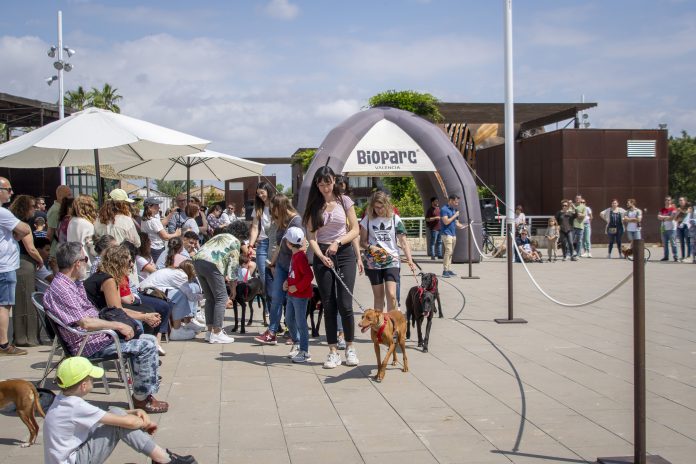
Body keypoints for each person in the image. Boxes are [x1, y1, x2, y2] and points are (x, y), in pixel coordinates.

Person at [44, 242, 168, 413]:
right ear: (77, 263)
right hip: (87, 344)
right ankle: (141, 399)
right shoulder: (63, 289)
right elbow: (85, 322)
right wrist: (117, 325)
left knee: (149, 340)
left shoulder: (72, 284)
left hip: (96, 337)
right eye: (85, 259)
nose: (88, 263)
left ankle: (144, 393)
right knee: (145, 345)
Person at [43, 356, 195, 464]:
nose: (93, 381)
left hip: (70, 456)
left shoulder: (63, 400)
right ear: (84, 385)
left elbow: (103, 414)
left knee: (117, 413)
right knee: (119, 424)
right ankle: (164, 459)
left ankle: (161, 457)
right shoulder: (76, 406)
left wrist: (133, 412)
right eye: (92, 378)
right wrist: (143, 422)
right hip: (75, 460)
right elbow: (127, 423)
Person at [302, 166, 360, 369]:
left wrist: (339, 243)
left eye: (328, 183)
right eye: (321, 184)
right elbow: (311, 237)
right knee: (328, 304)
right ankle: (333, 351)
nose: (325, 187)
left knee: (345, 303)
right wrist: (320, 255)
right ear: (316, 185)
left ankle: (350, 347)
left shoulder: (344, 201)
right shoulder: (313, 206)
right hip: (322, 255)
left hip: (343, 252)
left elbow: (355, 229)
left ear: (334, 181)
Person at [256, 194, 302, 345]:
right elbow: (279, 245)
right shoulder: (282, 222)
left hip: (292, 266)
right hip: (281, 264)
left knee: (291, 300)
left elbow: (302, 246)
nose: (272, 214)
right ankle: (272, 332)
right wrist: (272, 264)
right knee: (275, 297)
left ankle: (294, 332)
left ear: (279, 207)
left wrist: (296, 269)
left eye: (273, 210)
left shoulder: (296, 221)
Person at [360, 190, 416, 311]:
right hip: (373, 261)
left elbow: (403, 242)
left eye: (381, 207)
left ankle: (392, 324)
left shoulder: (395, 219)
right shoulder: (367, 219)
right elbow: (362, 242)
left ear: (387, 205)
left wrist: (410, 260)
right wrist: (371, 247)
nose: (379, 210)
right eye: (376, 207)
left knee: (391, 295)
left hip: (392, 260)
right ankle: (380, 327)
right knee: (378, 297)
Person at [192, 224, 240, 344]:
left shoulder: (218, 236)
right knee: (221, 298)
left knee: (209, 298)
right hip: (213, 263)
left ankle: (209, 332)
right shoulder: (235, 241)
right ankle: (217, 332)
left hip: (198, 261)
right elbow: (233, 268)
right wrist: (233, 289)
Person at [0, 178, 32, 356]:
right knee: (4, 306)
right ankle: (3, 344)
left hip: (4, 264)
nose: (11, 193)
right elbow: (25, 229)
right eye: (8, 189)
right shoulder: (3, 213)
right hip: (4, 266)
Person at [9, 195, 44, 347]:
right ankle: (29, 338)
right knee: (28, 301)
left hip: (15, 263)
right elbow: (30, 248)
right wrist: (40, 260)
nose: (35, 210)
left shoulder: (11, 221)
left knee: (18, 301)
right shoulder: (24, 225)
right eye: (32, 207)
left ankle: (20, 336)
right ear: (25, 208)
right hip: (25, 263)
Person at [140, 260, 203, 341]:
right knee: (181, 295)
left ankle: (187, 322)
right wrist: (204, 297)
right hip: (148, 292)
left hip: (147, 290)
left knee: (181, 293)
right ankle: (177, 329)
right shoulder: (181, 276)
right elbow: (190, 297)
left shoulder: (175, 271)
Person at [282, 227, 314, 363]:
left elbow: (309, 275)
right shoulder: (295, 256)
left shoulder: (300, 257)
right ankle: (297, 342)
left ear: (288, 243)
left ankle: (304, 351)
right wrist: (287, 282)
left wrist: (297, 287)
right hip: (292, 294)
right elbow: (294, 273)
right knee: (289, 319)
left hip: (300, 296)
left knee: (301, 322)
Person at [248, 181, 274, 318]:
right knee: (264, 278)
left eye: (262, 192)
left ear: (268, 190)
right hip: (263, 243)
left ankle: (278, 306)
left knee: (277, 276)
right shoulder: (258, 208)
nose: (260, 195)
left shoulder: (277, 204)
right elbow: (254, 227)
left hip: (276, 243)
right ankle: (269, 309)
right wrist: (251, 245)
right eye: (258, 194)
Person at [141, 197, 180, 265]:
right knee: (159, 267)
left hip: (151, 247)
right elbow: (165, 237)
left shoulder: (146, 219)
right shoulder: (153, 221)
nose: (159, 208)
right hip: (157, 249)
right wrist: (176, 234)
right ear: (150, 207)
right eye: (156, 205)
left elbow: (161, 224)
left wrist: (171, 213)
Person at [67, 195, 98, 269]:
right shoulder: (87, 224)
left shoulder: (72, 221)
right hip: (87, 263)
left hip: (73, 261)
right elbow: (92, 249)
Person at [440, 194, 467, 277]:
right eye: (455, 202)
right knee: (448, 251)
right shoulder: (444, 209)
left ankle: (448, 269)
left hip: (453, 234)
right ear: (451, 200)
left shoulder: (454, 210)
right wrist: (455, 215)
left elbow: (455, 222)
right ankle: (445, 271)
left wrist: (463, 226)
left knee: (451, 252)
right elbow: (446, 222)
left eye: (457, 202)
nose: (457, 204)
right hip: (446, 234)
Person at [47, 185, 73, 258]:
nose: (71, 197)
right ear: (60, 195)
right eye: (69, 195)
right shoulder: (55, 210)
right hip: (56, 251)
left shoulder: (61, 209)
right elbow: (50, 232)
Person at [657, 196, 678, 262]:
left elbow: (672, 218)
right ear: (665, 201)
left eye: (669, 200)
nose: (667, 201)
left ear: (671, 201)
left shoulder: (673, 209)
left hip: (672, 229)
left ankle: (675, 256)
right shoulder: (662, 209)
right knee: (665, 244)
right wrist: (667, 217)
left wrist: (663, 217)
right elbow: (658, 217)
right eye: (666, 200)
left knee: (673, 243)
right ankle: (666, 257)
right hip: (664, 228)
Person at [675, 196, 691, 261]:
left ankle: (688, 257)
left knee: (688, 242)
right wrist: (677, 213)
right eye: (679, 200)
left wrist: (680, 210)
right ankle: (683, 256)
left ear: (685, 201)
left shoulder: (689, 207)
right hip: (679, 226)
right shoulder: (678, 209)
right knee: (681, 242)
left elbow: (686, 212)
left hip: (686, 226)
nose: (680, 201)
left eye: (682, 200)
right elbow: (675, 218)